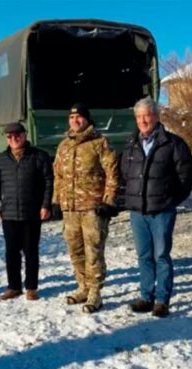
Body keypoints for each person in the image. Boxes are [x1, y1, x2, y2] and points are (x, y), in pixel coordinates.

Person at [121, 97, 192, 318]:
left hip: (162, 211)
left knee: (161, 255)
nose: (143, 120)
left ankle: (162, 300)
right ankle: (146, 296)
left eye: (147, 115)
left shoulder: (173, 143)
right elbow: (125, 173)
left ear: (156, 116)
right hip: (138, 212)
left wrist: (171, 199)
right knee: (144, 255)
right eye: (139, 116)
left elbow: (186, 176)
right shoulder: (131, 144)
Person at [53, 103, 119, 314]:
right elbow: (58, 175)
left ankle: (95, 293)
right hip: (70, 209)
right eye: (72, 118)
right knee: (76, 250)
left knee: (94, 251)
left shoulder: (99, 143)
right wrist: (57, 201)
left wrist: (108, 201)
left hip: (93, 208)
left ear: (87, 120)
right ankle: (82, 286)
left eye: (79, 117)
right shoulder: (64, 146)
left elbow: (112, 173)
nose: (75, 121)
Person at [0, 122, 53, 301]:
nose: (14, 139)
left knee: (31, 251)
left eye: (17, 135)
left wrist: (46, 205)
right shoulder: (1, 159)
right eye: (9, 136)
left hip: (31, 212)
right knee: (11, 252)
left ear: (24, 135)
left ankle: (31, 287)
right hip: (9, 213)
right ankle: (14, 286)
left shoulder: (39, 156)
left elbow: (48, 182)